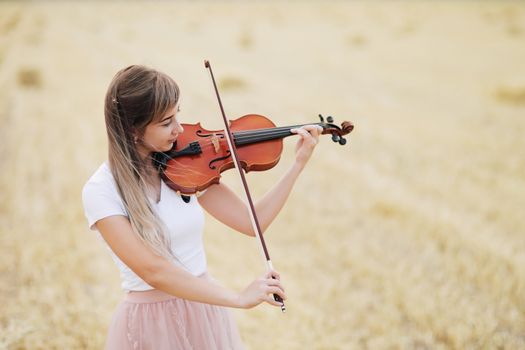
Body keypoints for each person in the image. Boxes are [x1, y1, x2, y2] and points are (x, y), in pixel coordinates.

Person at [82, 65, 322, 349]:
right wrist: (237, 298)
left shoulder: (185, 168)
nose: (180, 129)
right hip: (152, 325)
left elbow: (251, 221)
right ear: (133, 130)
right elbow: (153, 271)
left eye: (177, 114)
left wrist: (297, 165)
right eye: (166, 122)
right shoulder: (102, 190)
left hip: (205, 311)